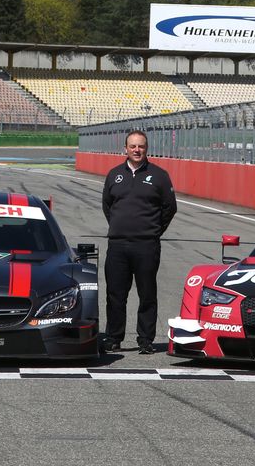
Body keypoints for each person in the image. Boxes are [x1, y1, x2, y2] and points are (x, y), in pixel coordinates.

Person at [101, 130, 177, 354]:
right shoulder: (114, 174)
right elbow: (107, 206)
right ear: (125, 148)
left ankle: (146, 340)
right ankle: (113, 338)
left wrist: (153, 231)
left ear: (146, 149)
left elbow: (170, 208)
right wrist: (120, 227)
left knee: (147, 294)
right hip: (118, 245)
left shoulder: (159, 175)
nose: (136, 150)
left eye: (141, 146)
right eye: (132, 146)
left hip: (146, 245)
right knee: (115, 295)